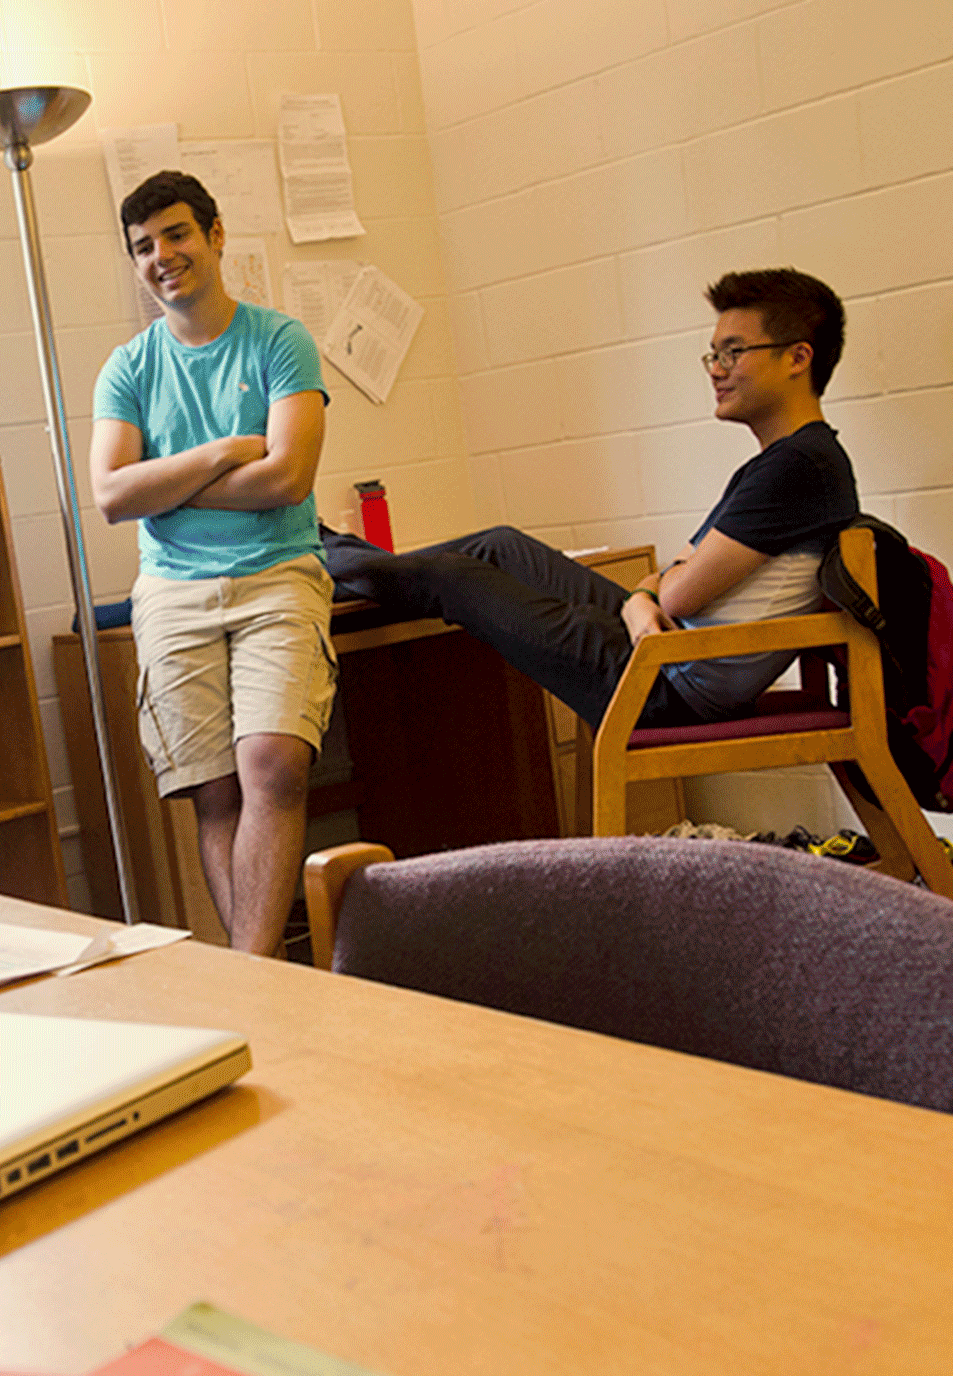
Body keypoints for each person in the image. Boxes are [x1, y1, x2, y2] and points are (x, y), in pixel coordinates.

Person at [328, 268, 859, 730]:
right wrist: (644, 599)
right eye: (713, 354)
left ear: (797, 358)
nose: (717, 369)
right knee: (501, 546)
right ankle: (334, 564)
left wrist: (640, 602)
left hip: (667, 682)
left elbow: (676, 597)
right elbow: (680, 568)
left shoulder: (801, 466)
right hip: (661, 647)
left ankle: (314, 554)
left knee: (455, 577)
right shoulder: (786, 461)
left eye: (734, 352)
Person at [90, 171, 334, 960]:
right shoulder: (127, 368)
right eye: (143, 247)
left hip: (277, 577)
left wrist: (169, 487)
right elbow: (111, 494)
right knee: (214, 791)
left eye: (176, 234)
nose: (162, 256)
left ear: (216, 235)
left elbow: (289, 479)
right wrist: (227, 451)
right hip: (172, 592)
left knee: (272, 765)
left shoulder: (280, 341)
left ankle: (253, 979)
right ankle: (264, 979)